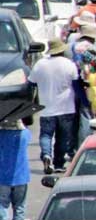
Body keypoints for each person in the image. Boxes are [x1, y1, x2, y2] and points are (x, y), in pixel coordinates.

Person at [28, 39, 79, 175]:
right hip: (66, 108)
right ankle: (59, 163)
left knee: (46, 134)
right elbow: (76, 85)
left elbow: (31, 83)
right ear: (62, 50)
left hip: (46, 108)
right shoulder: (69, 64)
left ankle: (46, 155)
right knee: (63, 137)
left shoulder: (40, 64)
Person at [0, 121, 30, 220]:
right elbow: (27, 132)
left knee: (2, 203)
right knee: (19, 206)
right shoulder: (24, 134)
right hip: (21, 176)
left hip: (3, 176)